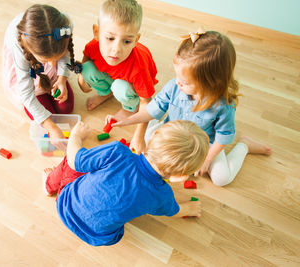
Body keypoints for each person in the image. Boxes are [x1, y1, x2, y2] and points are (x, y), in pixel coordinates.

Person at [107, 30, 272, 186]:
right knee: (149, 140)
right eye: (177, 76)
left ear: (211, 82)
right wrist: (127, 120)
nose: (177, 82)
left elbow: (224, 136)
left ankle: (245, 146)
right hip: (174, 134)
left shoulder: (223, 105)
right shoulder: (175, 86)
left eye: (184, 82)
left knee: (222, 178)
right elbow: (152, 110)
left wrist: (207, 159)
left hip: (203, 145)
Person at [42, 120, 209, 246]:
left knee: (69, 161)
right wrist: (189, 209)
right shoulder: (163, 195)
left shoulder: (117, 151)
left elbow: (75, 161)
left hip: (65, 205)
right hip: (100, 236)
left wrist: (75, 136)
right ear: (180, 177)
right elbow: (173, 211)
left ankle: (48, 185)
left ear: (151, 139)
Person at [77, 0, 158, 154]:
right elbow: (85, 62)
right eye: (110, 38)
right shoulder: (92, 46)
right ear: (96, 32)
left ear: (136, 40)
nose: (116, 50)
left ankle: (128, 108)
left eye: (127, 41)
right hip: (112, 77)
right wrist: (82, 80)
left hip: (129, 85)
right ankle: (106, 93)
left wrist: (139, 136)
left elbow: (147, 102)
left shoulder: (138, 67)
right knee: (86, 69)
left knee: (120, 87)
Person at [2, 4, 81, 146]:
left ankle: (50, 81)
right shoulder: (19, 47)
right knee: (48, 118)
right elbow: (26, 93)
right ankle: (41, 90)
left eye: (55, 58)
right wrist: (51, 128)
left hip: (44, 60)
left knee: (65, 109)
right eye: (46, 61)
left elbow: (66, 51)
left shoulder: (64, 28)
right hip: (29, 72)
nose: (51, 65)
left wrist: (62, 79)